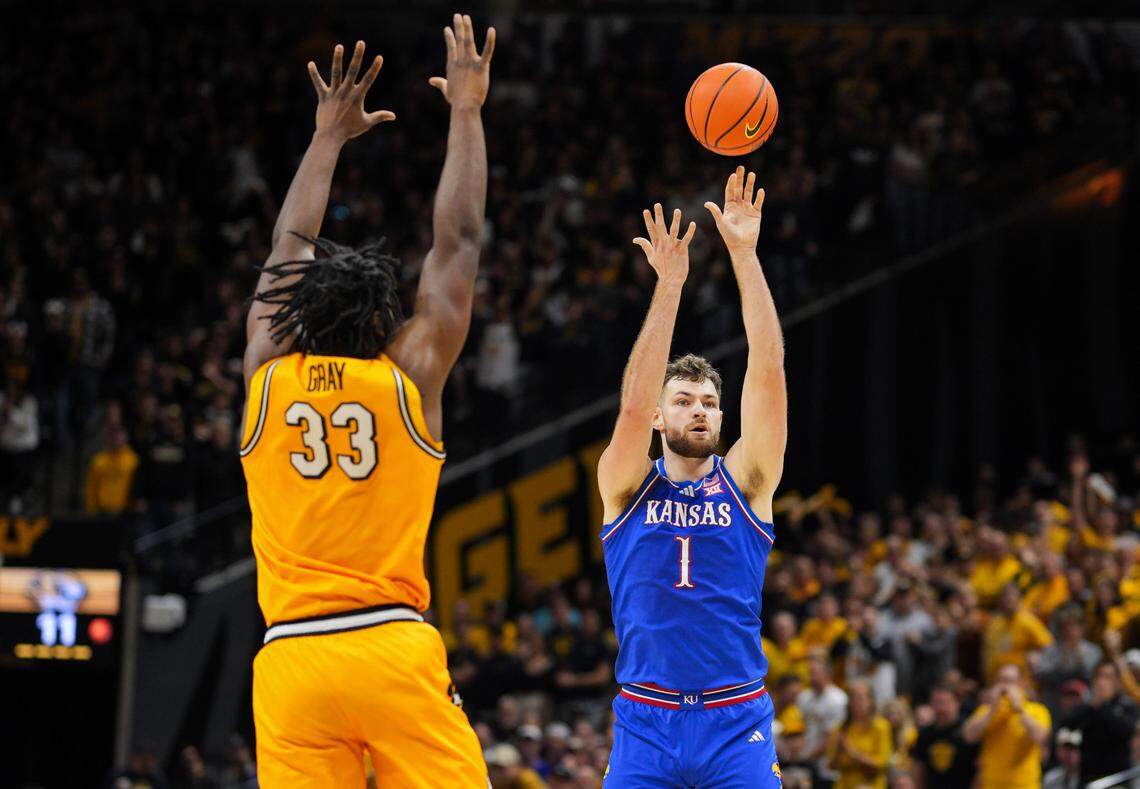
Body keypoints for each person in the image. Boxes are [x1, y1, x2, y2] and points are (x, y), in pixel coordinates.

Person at [239, 19, 495, 787]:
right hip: (387, 644)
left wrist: (325, 141)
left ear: (294, 315)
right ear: (385, 319)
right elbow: (457, 244)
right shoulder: (408, 375)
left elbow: (287, 252)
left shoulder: (267, 372)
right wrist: (467, 112)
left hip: (290, 660)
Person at [597, 167, 787, 786]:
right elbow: (629, 403)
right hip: (645, 722)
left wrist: (743, 254)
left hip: (737, 721)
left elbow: (767, 366)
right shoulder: (626, 486)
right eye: (682, 400)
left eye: (707, 402)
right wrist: (670, 285)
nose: (697, 409)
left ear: (722, 417)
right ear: (659, 415)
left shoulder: (747, 481)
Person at [962, 663, 1051, 789]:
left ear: (1022, 684)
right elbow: (968, 736)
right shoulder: (986, 710)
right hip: (991, 785)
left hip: (1024, 785)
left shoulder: (1036, 710)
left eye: (1009, 681)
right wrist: (992, 709)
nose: (1003, 686)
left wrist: (1019, 709)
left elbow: (1041, 737)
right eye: (1000, 680)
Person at [1064, 660, 1139, 784]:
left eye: (1108, 677)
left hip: (1117, 778)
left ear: (1117, 681)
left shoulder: (1127, 706)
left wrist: (1103, 706)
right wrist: (1094, 705)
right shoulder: (1088, 706)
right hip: (1089, 777)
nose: (1102, 682)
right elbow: (1069, 725)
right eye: (1099, 676)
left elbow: (1125, 731)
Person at [828, 680, 892, 789]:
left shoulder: (881, 726)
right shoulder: (841, 728)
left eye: (861, 698)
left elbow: (882, 764)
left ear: (871, 701)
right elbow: (832, 766)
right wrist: (839, 751)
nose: (857, 702)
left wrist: (851, 752)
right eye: (853, 698)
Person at [911, 684, 977, 789]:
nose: (940, 708)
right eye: (936, 703)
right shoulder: (925, 734)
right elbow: (919, 770)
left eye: (945, 703)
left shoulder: (969, 732)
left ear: (957, 704)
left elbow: (980, 772)